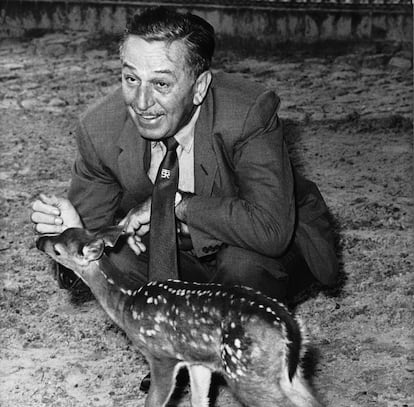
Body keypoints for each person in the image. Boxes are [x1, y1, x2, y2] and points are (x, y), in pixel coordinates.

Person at [31, 7, 338, 331]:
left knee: (241, 266)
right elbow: (87, 255)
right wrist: (69, 232)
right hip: (179, 249)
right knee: (117, 254)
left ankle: (233, 350)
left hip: (266, 243)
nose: (141, 101)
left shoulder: (247, 114)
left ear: (200, 86)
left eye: (161, 83)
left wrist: (176, 204)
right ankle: (171, 346)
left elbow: (270, 231)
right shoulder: (100, 129)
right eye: (131, 78)